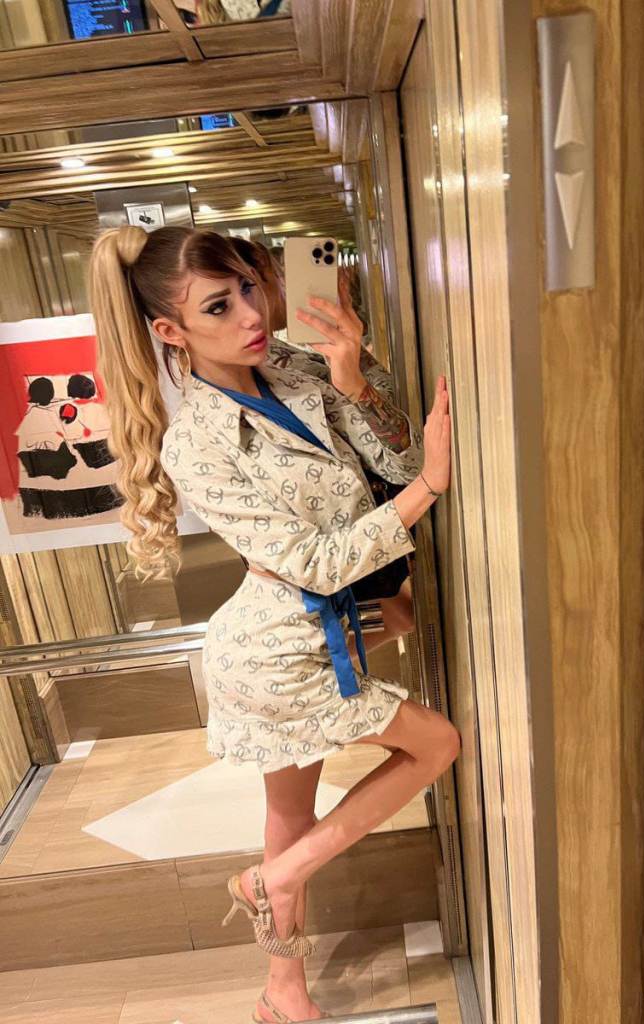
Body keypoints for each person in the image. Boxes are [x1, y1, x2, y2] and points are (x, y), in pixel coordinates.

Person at [88, 225, 460, 1024]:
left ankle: (282, 992)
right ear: (171, 331)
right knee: (436, 745)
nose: (252, 314)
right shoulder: (197, 444)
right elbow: (319, 559)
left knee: (289, 818)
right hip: (276, 653)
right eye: (219, 306)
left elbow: (399, 462)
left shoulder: (294, 367)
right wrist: (427, 490)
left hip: (314, 631)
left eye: (249, 287)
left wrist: (354, 377)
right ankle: (272, 880)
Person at [229, 236, 416, 654]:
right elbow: (402, 461)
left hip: (347, 532)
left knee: (398, 616)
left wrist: (353, 359)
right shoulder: (274, 372)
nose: (285, 284)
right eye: (275, 274)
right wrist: (355, 369)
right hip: (348, 534)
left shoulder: (276, 359)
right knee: (357, 631)